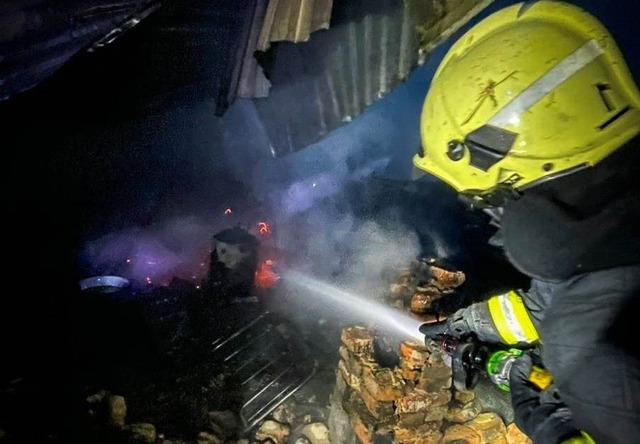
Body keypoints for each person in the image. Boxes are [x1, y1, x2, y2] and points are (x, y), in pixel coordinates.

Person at [411, 1, 640, 443]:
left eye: (487, 203)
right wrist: (468, 323)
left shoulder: (588, 351)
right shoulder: (605, 246)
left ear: (518, 185)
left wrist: (560, 433)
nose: (494, 222)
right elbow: (552, 300)